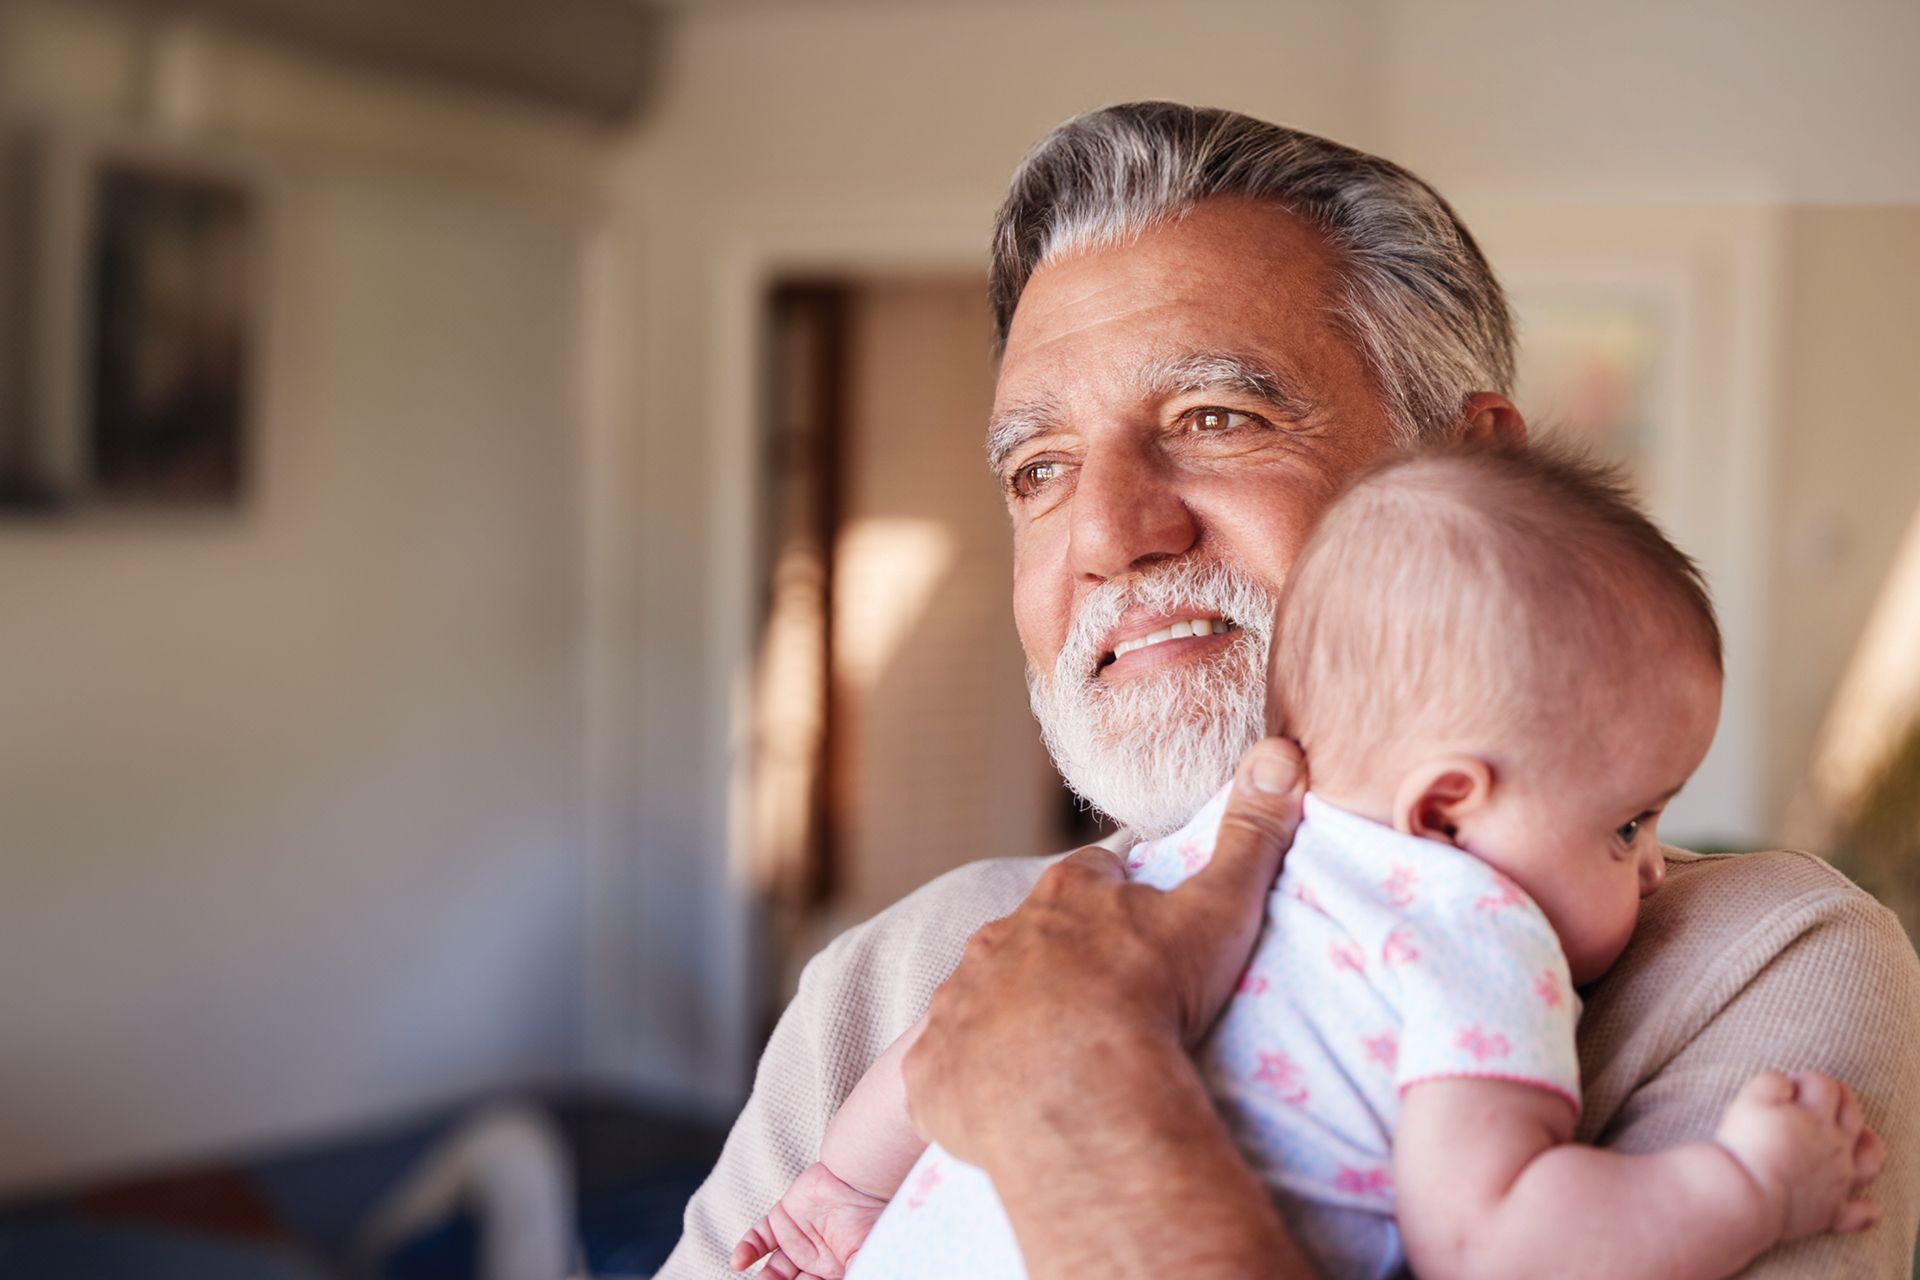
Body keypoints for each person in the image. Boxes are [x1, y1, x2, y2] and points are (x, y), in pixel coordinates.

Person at [658, 103, 1920, 1279]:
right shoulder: (906, 968)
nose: (1107, 530)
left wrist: (1077, 1089)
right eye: (1039, 467)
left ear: (1470, 466)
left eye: (1216, 416)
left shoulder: (1756, 959)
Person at [729, 446, 1883, 1280]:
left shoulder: (1202, 853)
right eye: (1628, 823)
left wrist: (839, 1196)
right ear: (1446, 814)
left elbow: (947, 1040)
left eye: (1219, 419)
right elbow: (1495, 1240)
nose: (1655, 871)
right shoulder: (1480, 934)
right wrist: (1750, 1188)